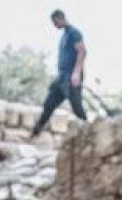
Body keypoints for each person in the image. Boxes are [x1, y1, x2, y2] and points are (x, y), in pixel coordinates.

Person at [30, 9, 87, 137]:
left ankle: (88, 132)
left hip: (71, 78)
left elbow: (82, 51)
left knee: (77, 108)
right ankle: (35, 133)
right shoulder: (64, 36)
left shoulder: (74, 33)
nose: (55, 26)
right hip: (61, 78)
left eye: (55, 22)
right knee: (48, 104)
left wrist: (76, 73)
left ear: (61, 18)